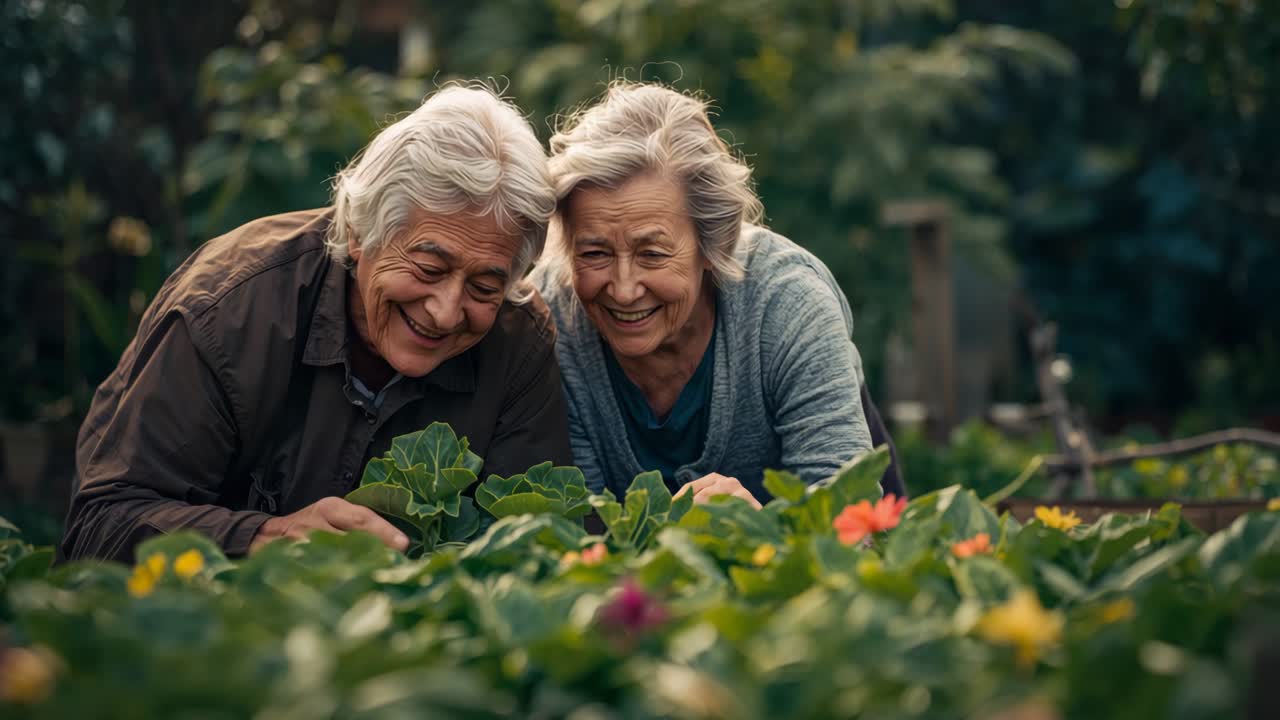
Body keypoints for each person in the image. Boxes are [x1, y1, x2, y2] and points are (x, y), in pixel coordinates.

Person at [61, 84, 571, 563]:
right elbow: (99, 528)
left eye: (484, 287)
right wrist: (266, 537)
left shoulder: (518, 343)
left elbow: (544, 543)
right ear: (359, 233)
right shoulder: (229, 311)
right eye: (428, 269)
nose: (445, 310)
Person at [531, 81, 904, 507]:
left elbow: (848, 516)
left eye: (652, 253)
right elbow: (582, 531)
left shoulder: (787, 303)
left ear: (713, 244)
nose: (623, 288)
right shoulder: (549, 324)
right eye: (594, 252)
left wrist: (757, 530)